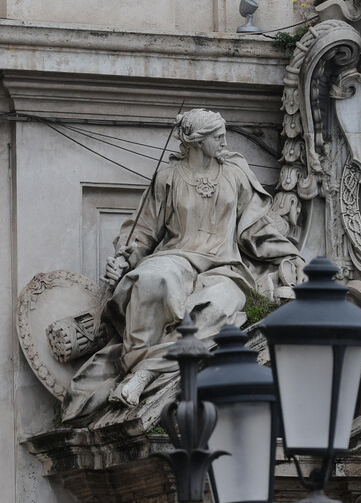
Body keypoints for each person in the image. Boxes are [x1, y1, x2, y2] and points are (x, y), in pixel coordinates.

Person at [61, 109, 305, 422]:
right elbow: (143, 232)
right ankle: (135, 359)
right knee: (150, 279)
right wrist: (125, 260)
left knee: (216, 307)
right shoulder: (168, 177)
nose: (224, 141)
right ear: (197, 141)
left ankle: (146, 372)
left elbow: (256, 227)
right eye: (217, 136)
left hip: (225, 268)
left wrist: (289, 256)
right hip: (177, 257)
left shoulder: (235, 172)